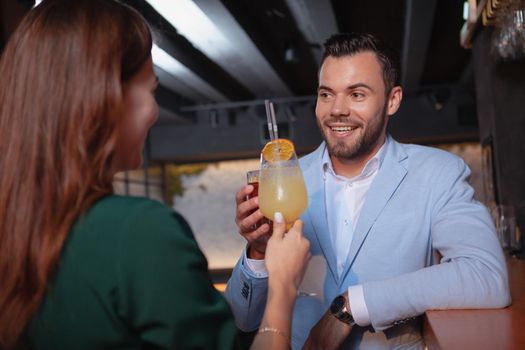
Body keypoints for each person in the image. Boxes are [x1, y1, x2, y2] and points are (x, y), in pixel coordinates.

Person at [0, 1, 310, 349]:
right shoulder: (140, 231)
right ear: (105, 97)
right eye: (150, 90)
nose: (155, 111)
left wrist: (257, 250)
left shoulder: (19, 227)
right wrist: (283, 284)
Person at [225, 32, 511, 349]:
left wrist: (352, 306)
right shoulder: (285, 181)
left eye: (356, 94)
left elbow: (486, 276)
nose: (337, 110)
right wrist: (259, 253)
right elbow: (242, 317)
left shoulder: (438, 173)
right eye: (326, 94)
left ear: (393, 100)